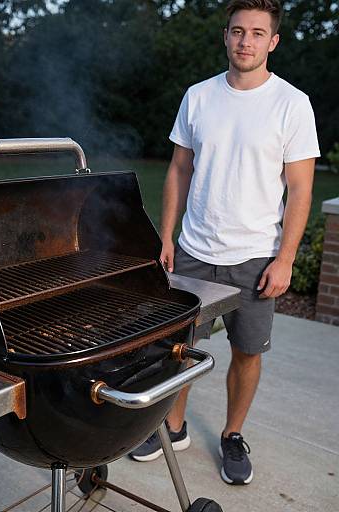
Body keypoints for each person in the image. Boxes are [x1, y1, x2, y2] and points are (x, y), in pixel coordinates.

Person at [129, 0, 320, 485]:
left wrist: (286, 258)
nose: (246, 41)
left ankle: (233, 434)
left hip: (255, 256)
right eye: (238, 31)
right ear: (226, 36)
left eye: (257, 33)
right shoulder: (198, 96)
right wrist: (167, 235)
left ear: (272, 41)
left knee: (247, 350)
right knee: (178, 347)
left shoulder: (291, 104)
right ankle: (173, 427)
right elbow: (179, 168)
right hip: (194, 249)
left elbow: (300, 188)